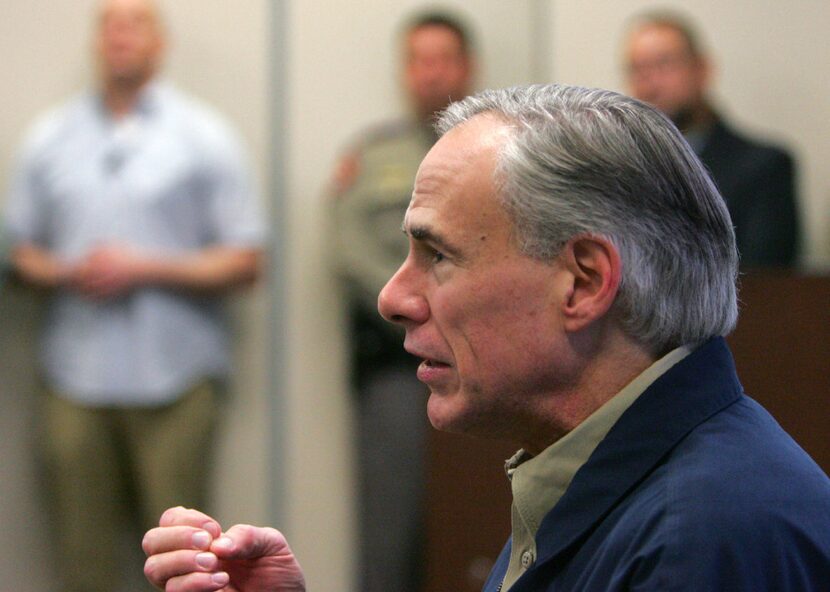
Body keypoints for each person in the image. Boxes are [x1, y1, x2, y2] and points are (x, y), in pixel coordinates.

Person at [142, 84, 830, 591]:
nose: (392, 296)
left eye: (437, 255)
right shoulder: (620, 476)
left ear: (584, 283)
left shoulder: (699, 543)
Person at [3, 1, 264, 590]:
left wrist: (143, 268)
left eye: (135, 24)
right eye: (110, 24)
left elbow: (247, 258)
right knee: (81, 559)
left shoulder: (205, 135)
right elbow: (19, 253)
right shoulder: (50, 137)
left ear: (159, 42)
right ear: (98, 42)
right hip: (74, 381)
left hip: (176, 382)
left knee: (185, 563)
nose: (121, 36)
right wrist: (70, 271)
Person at [329, 11, 474, 591]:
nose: (432, 73)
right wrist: (433, 311)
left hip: (490, 368)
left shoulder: (510, 150)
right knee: (391, 537)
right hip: (398, 367)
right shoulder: (370, 157)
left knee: (477, 534)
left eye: (444, 58)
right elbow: (352, 254)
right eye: (420, 60)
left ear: (467, 67)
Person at [623, 11, 800, 269]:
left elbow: (765, 280)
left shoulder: (765, 167)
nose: (650, 83)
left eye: (663, 64)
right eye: (638, 70)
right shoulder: (619, 169)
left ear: (701, 69)